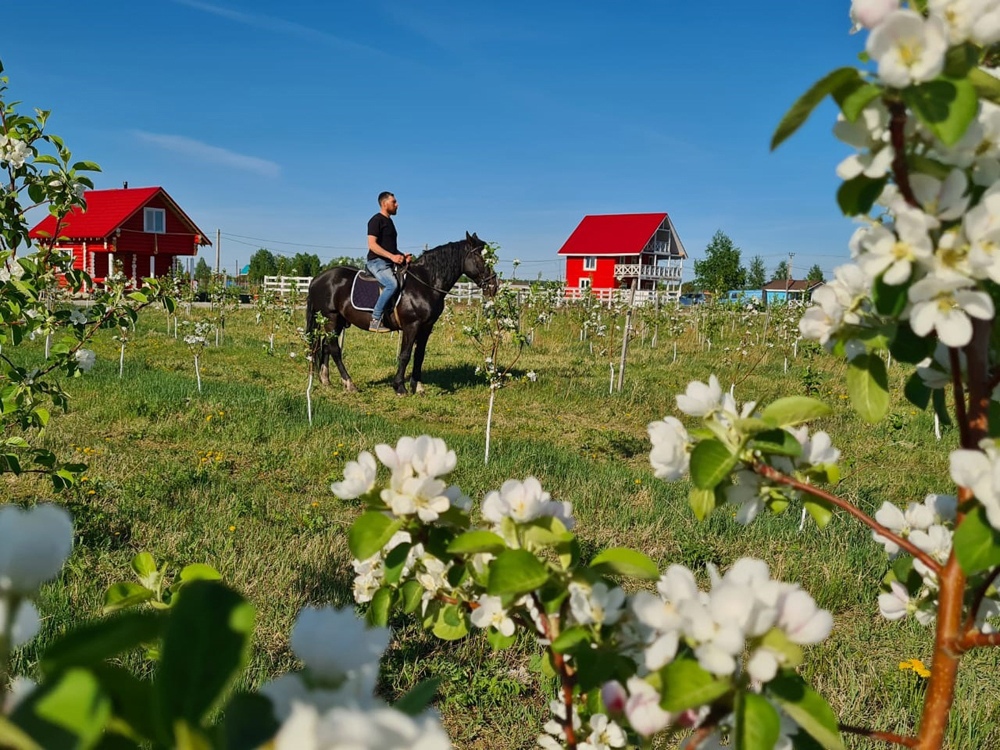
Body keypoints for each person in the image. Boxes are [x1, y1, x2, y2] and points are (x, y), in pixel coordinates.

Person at [366, 191, 409, 332]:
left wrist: (402, 256)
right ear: (385, 204)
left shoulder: (389, 222)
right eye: (394, 202)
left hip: (388, 262)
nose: (397, 205)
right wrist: (392, 257)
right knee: (392, 284)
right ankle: (375, 319)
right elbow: (372, 245)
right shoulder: (376, 220)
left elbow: (391, 248)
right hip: (376, 262)